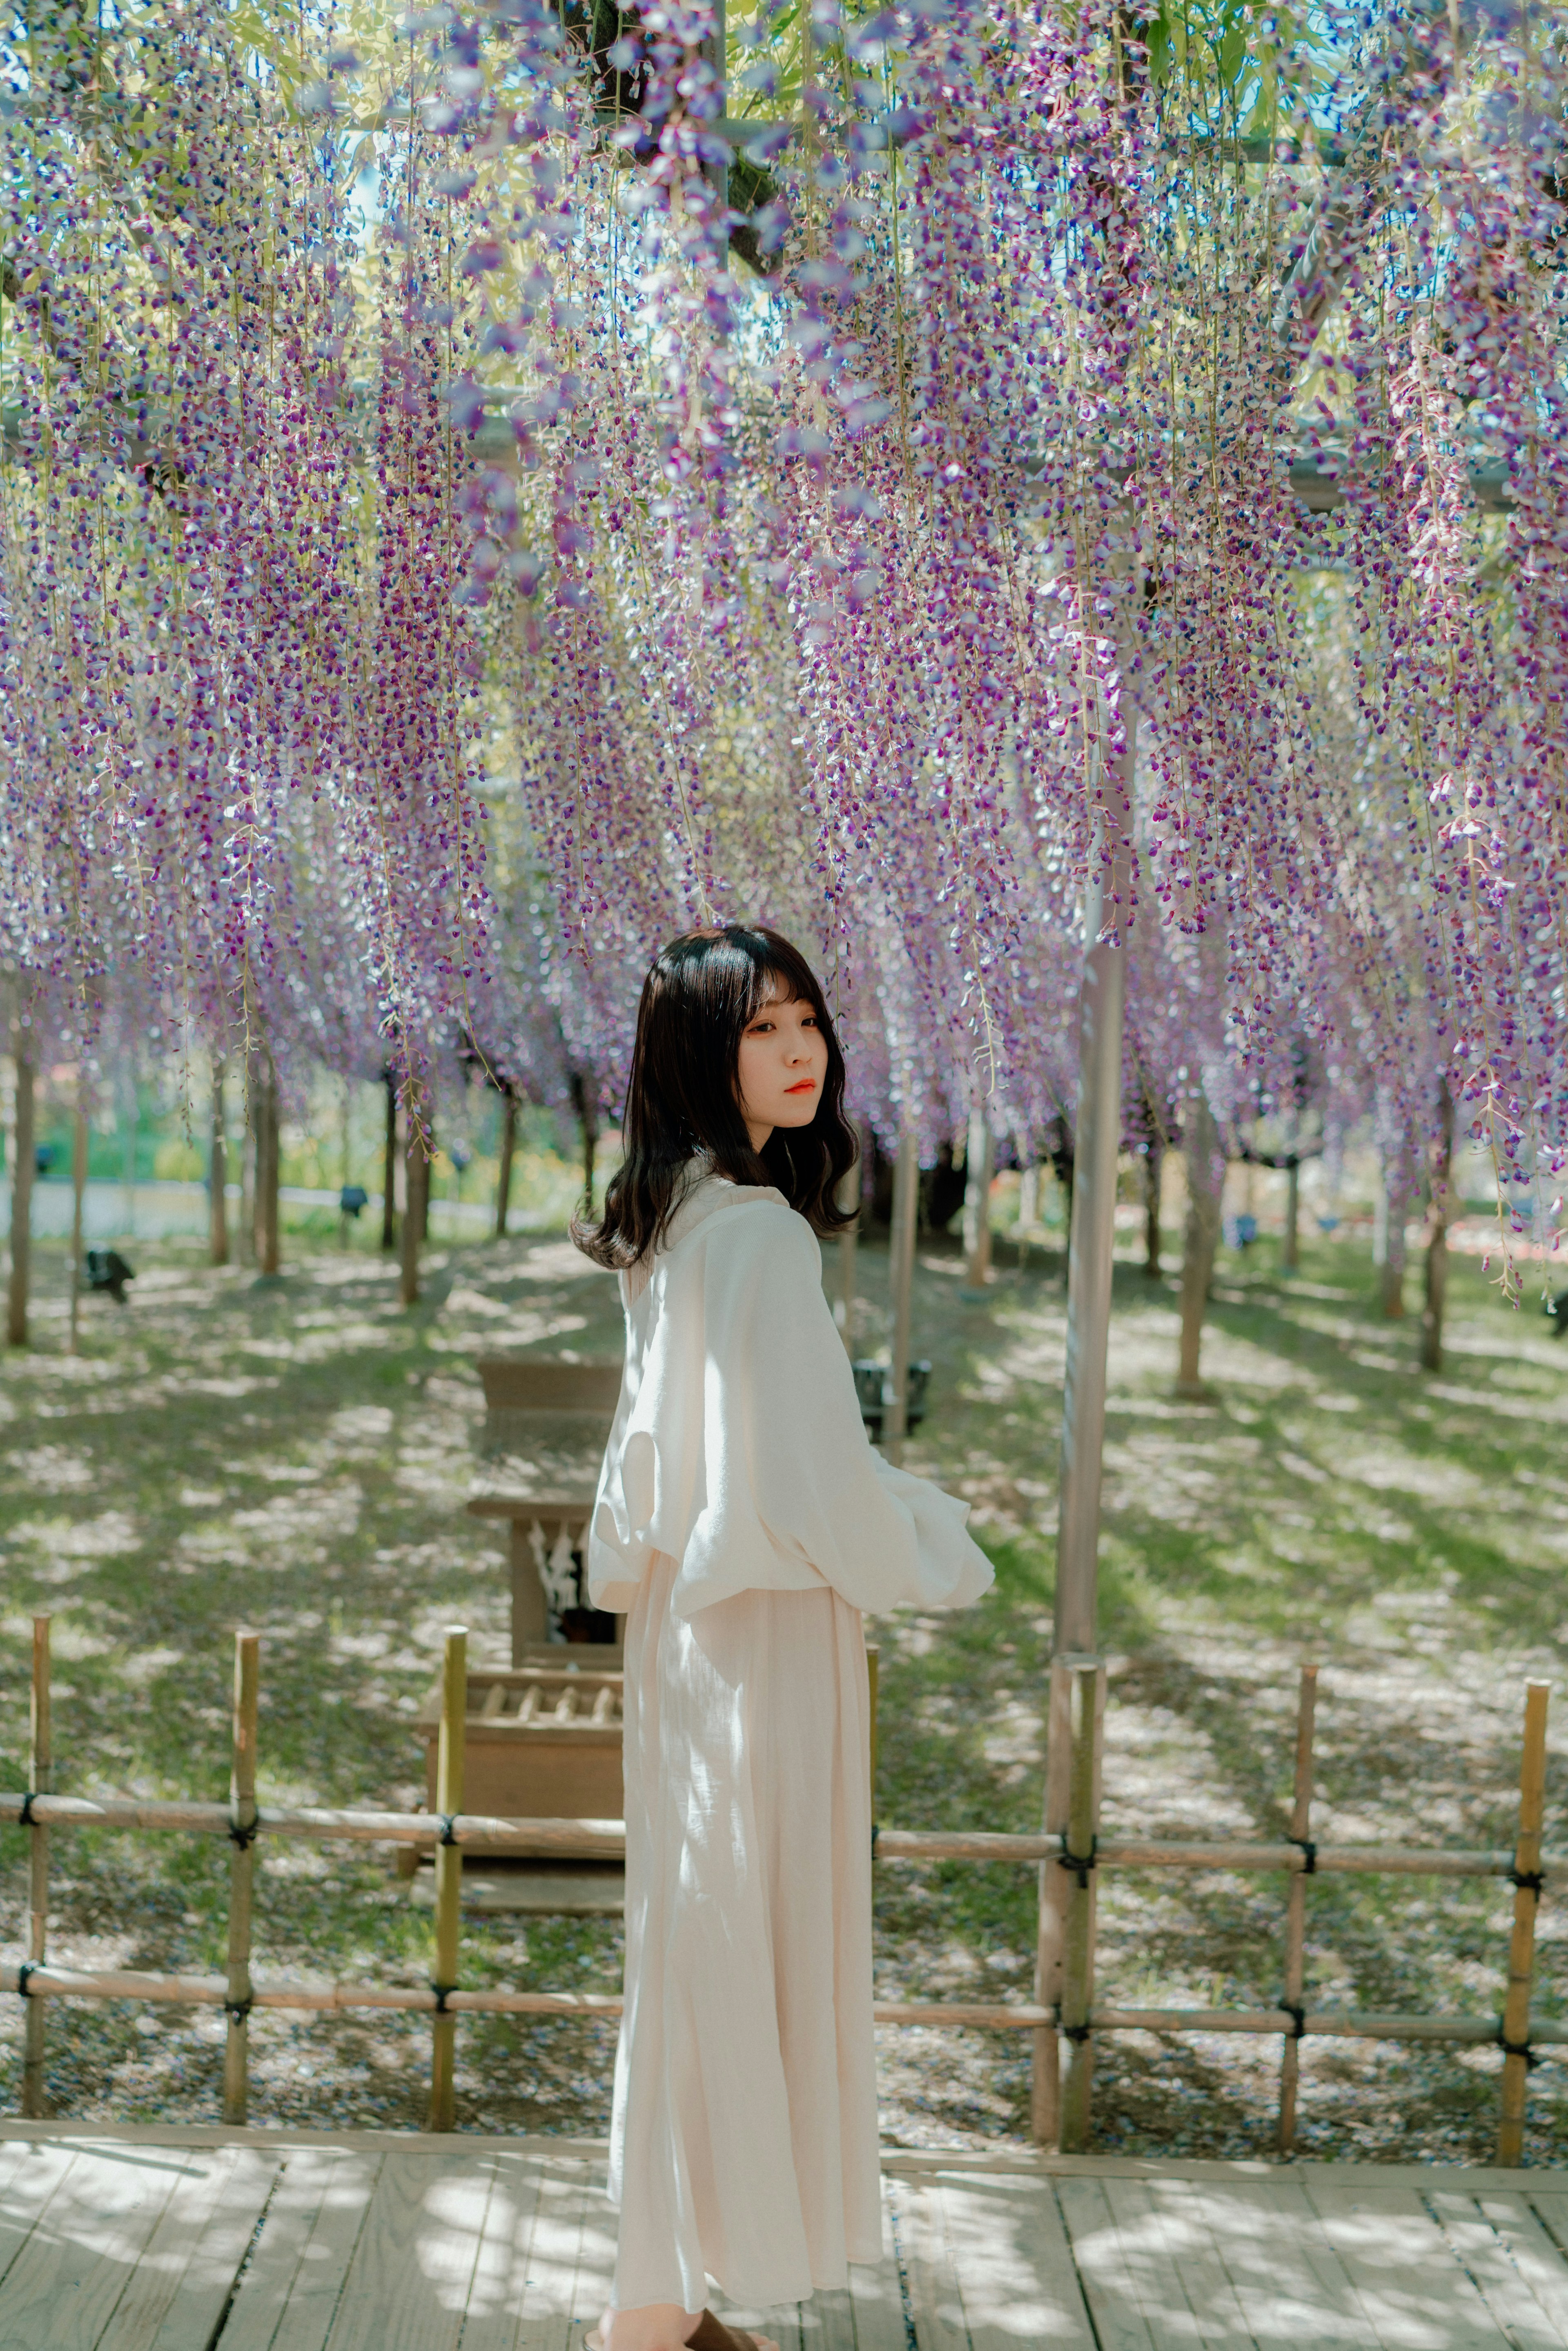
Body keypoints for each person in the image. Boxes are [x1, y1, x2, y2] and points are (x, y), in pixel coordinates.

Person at [575, 924, 994, 2351]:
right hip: (764, 1637)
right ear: (704, 1051)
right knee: (740, 1946)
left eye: (807, 1019)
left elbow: (642, 1469)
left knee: (693, 1946)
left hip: (691, 1643)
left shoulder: (673, 1222)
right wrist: (934, 1548)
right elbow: (818, 1482)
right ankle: (652, 2314)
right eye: (762, 1029)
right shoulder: (755, 1236)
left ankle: (657, 2297)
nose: (800, 1049)